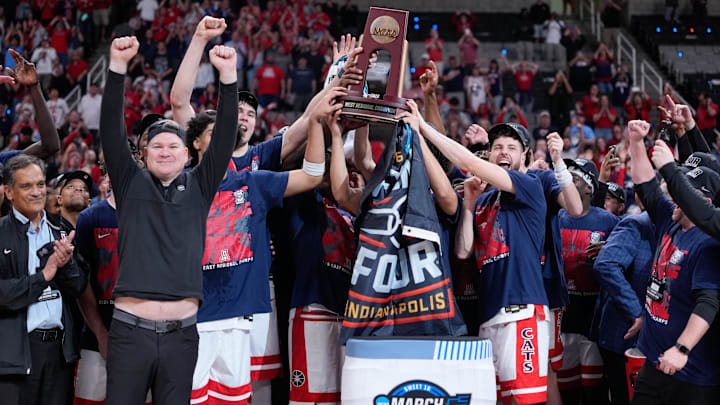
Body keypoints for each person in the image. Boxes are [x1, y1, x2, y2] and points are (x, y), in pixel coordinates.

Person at [100, 35, 238, 405]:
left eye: (173, 145)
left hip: (182, 336)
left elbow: (223, 137)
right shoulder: (129, 183)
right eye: (157, 145)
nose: (165, 150)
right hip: (130, 332)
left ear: (187, 153)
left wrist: (228, 78)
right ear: (143, 154)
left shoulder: (200, 185)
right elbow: (111, 131)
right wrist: (116, 67)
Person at [420, 118, 551, 404]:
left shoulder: (529, 186)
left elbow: (470, 161)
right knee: (494, 399)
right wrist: (468, 204)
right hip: (489, 314)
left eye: (511, 148)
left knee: (525, 401)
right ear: (490, 153)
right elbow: (464, 251)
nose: (504, 152)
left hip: (521, 313)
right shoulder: (483, 200)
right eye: (498, 147)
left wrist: (422, 126)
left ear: (525, 154)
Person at [627, 119, 720, 404]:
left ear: (701, 200)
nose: (672, 194)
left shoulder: (709, 244)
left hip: (690, 373)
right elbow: (646, 186)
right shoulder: (672, 221)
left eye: (681, 191)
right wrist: (635, 142)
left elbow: (709, 302)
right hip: (654, 362)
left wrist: (681, 348)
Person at [0, 154, 86, 405]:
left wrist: (67, 264)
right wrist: (44, 276)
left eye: (40, 184)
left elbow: (78, 288)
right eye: (27, 186)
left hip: (59, 354)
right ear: (9, 192)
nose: (36, 192)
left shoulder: (61, 230)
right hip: (15, 356)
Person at [556, 158, 618, 404]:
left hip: (594, 316)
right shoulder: (556, 217)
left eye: (575, 177)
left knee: (594, 388)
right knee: (567, 386)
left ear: (589, 188)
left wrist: (610, 251)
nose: (567, 180)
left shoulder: (608, 222)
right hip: (562, 315)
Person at [591, 202, 655, 405]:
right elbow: (605, 266)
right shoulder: (637, 224)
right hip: (624, 335)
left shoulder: (684, 230)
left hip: (655, 341)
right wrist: (636, 311)